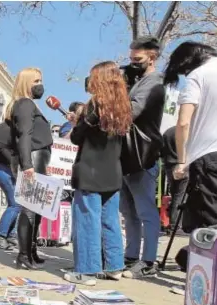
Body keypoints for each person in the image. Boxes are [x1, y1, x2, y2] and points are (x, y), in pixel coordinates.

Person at [63, 61, 132, 286]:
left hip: (90, 171)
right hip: (113, 171)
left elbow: (77, 137)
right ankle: (114, 266)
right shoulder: (123, 106)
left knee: (87, 220)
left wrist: (77, 123)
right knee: (110, 220)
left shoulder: (95, 104)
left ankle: (87, 271)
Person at [120, 36, 165, 279]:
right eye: (131, 59)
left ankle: (148, 260)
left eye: (137, 59)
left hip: (142, 155)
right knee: (129, 212)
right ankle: (130, 257)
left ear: (152, 56)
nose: (133, 63)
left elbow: (132, 111)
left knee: (146, 211)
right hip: (128, 156)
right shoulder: (139, 81)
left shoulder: (154, 82)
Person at [164, 41, 217, 232]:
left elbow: (184, 121)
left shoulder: (198, 75)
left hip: (207, 156)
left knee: (209, 223)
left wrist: (182, 161)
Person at [6, 67, 53, 270]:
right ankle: (23, 255)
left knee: (37, 209)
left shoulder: (29, 105)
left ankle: (31, 251)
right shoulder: (24, 104)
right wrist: (27, 166)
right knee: (30, 209)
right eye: (36, 81)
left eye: (40, 80)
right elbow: (24, 135)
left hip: (38, 159)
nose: (40, 85)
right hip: (33, 159)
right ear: (26, 83)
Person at [0, 120, 21, 250]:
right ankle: (1, 236)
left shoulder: (14, 129)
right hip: (3, 170)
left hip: (7, 170)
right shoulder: (4, 129)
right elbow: (3, 149)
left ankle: (10, 235)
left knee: (16, 204)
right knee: (15, 204)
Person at [161, 126, 189, 234]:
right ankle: (175, 226)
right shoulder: (185, 131)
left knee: (175, 195)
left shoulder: (168, 131)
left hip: (169, 165)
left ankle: (174, 225)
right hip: (181, 165)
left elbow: (162, 150)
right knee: (180, 197)